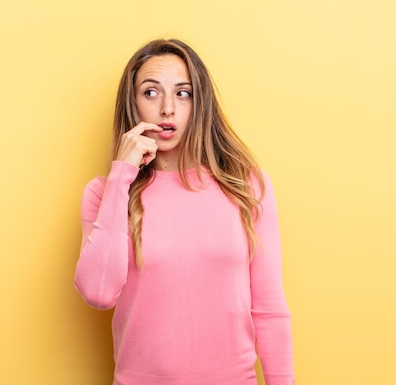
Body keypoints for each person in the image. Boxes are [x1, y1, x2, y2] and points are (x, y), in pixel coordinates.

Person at [74, 38, 294, 385]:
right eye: (150, 92)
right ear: (132, 104)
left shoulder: (246, 185)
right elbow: (99, 294)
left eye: (182, 93)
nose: (167, 109)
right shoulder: (103, 193)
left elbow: (269, 309)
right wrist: (121, 176)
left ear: (199, 102)